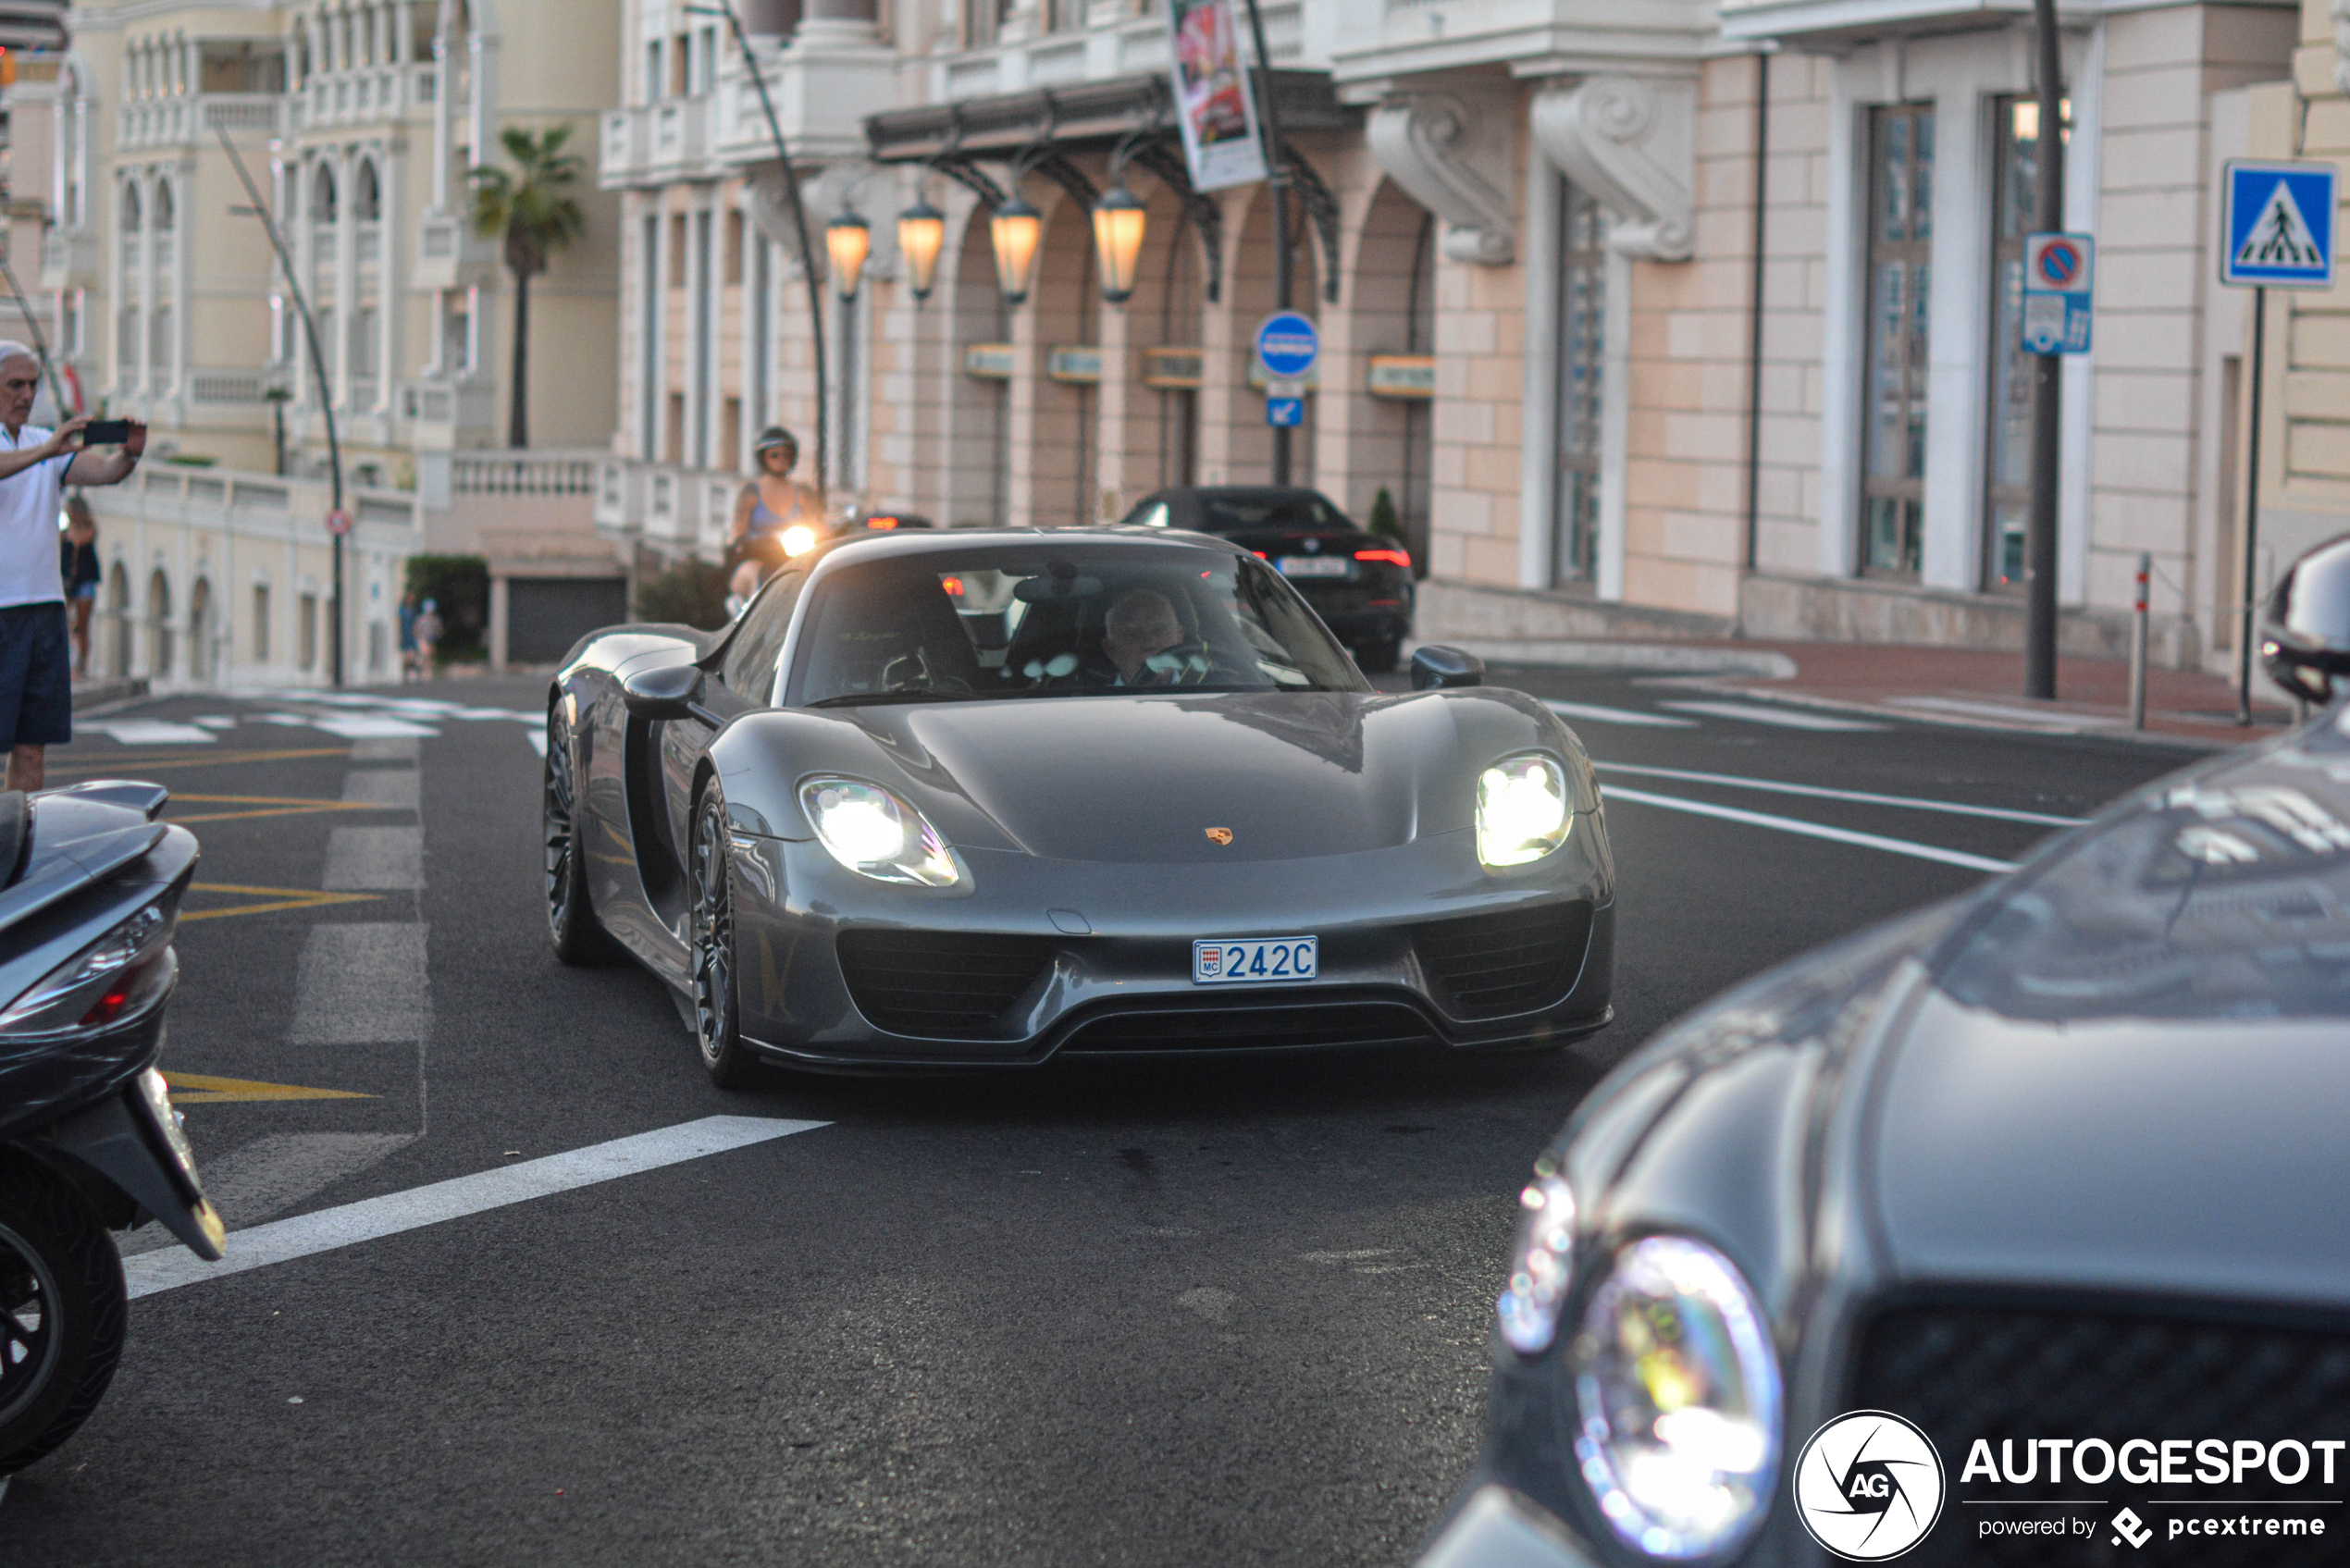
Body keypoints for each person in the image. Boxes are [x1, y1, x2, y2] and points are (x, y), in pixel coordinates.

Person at [0, 346, 143, 791]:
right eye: (15, 384)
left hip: (42, 610)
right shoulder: (41, 447)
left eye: (32, 384)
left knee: (32, 744)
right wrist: (47, 449)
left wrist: (129, 456)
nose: (26, 394)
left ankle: (18, 850)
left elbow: (101, 470)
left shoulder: (42, 444)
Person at [728, 427, 821, 602]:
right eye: (774, 455)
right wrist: (743, 542)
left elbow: (817, 525)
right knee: (753, 576)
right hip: (758, 555)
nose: (781, 460)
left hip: (794, 557)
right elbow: (737, 530)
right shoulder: (751, 492)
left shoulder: (804, 492)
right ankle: (747, 610)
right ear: (763, 457)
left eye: (786, 455)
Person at [58, 497, 100, 675]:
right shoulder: (65, 529)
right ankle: (67, 660)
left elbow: (81, 541)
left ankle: (82, 664)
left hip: (84, 579)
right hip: (68, 580)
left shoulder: (88, 528)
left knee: (83, 624)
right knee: (64, 622)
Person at [413, 598, 442, 678]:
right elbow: (416, 628)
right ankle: (421, 668)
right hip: (422, 639)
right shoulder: (421, 619)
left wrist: (438, 635)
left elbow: (439, 629)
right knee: (426, 654)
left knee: (429, 655)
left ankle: (426, 670)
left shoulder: (435, 619)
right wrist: (417, 637)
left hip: (431, 639)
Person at [397, 591, 420, 682]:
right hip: (405, 633)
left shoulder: (413, 610)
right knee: (407, 654)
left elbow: (415, 623)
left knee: (412, 653)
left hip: (412, 634)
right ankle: (406, 670)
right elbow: (399, 622)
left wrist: (416, 632)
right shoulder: (402, 610)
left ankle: (410, 670)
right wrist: (399, 634)